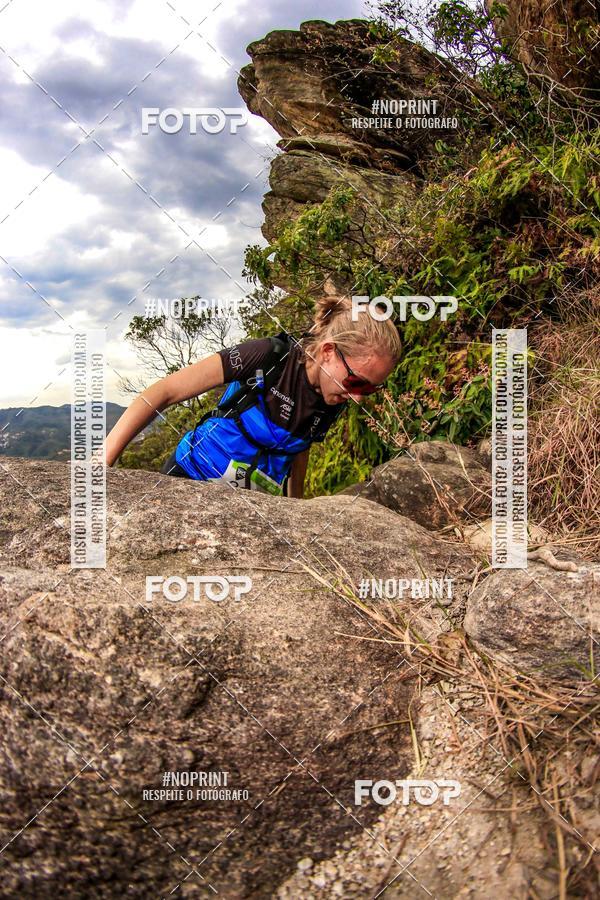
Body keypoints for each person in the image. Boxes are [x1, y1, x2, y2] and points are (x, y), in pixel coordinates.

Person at [105, 295, 401, 498]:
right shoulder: (268, 356)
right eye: (356, 382)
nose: (358, 398)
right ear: (328, 352)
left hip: (254, 501)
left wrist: (295, 508)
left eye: (369, 389)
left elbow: (300, 448)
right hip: (191, 474)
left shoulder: (333, 394)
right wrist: (104, 462)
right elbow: (163, 392)